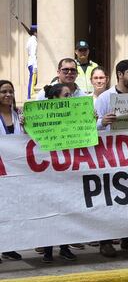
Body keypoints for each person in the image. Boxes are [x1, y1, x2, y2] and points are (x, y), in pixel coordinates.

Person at [91, 59, 128, 257]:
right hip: (109, 156)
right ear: (119, 74)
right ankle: (105, 241)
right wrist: (103, 122)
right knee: (109, 199)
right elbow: (92, 127)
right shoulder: (105, 97)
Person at [38, 83, 78, 263]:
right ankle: (48, 249)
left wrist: (91, 121)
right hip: (48, 171)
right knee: (50, 211)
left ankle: (64, 247)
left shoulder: (76, 116)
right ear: (55, 98)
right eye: (66, 95)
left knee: (66, 209)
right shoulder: (43, 118)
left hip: (67, 170)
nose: (70, 99)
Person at [0, 80, 23, 262]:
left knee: (12, 209)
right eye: (3, 92)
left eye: (10, 91)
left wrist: (25, 125)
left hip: (14, 170)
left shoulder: (18, 115)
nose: (8, 95)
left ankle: (9, 247)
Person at [26, 25, 37, 99]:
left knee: (33, 80)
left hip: (32, 62)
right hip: (33, 63)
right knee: (32, 80)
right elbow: (33, 53)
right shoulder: (33, 40)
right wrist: (35, 65)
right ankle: (30, 97)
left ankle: (30, 96)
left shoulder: (31, 39)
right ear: (35, 32)